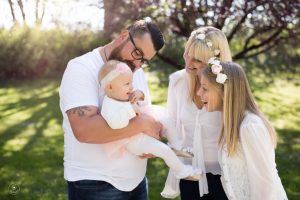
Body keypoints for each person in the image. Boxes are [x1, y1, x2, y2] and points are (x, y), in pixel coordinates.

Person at [59, 19, 165, 200]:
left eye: (144, 60)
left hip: (137, 182)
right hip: (95, 185)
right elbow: (84, 130)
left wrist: (151, 139)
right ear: (124, 35)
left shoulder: (135, 71)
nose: (138, 64)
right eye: (137, 53)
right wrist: (143, 124)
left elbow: (143, 113)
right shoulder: (82, 68)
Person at [98, 60, 201, 184]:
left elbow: (140, 100)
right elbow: (116, 124)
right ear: (110, 87)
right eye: (127, 84)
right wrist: (128, 108)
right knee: (164, 151)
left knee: (167, 119)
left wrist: (139, 94)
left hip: (141, 126)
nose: (131, 87)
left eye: (131, 83)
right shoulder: (108, 105)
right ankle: (182, 171)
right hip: (133, 140)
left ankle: (177, 145)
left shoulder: (123, 94)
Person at [198, 60, 288, 200]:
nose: (198, 93)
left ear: (224, 92)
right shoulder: (231, 124)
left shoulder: (250, 127)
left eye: (204, 88)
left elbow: (265, 188)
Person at [161, 26, 231, 199]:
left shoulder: (228, 83)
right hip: (190, 173)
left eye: (197, 60)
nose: (188, 63)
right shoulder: (177, 81)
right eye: (187, 54)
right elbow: (172, 126)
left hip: (224, 174)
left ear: (215, 61)